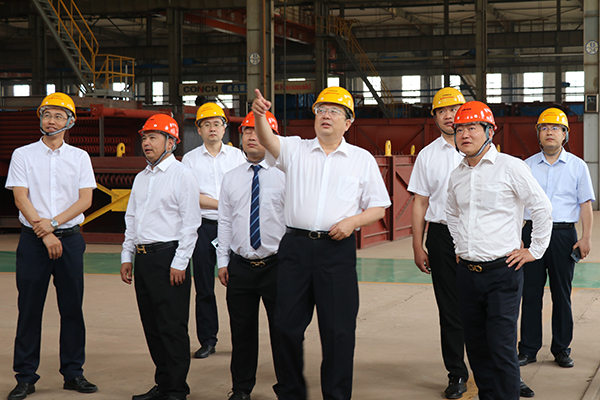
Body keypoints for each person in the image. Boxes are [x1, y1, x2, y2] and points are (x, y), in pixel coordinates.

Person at [252, 87, 391, 400]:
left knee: (338, 332)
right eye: (321, 110)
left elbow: (378, 207)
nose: (326, 116)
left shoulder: (361, 160)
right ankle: (292, 392)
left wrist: (352, 222)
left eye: (334, 111)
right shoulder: (296, 149)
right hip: (296, 249)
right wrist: (260, 116)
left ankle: (336, 396)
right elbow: (267, 140)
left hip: (336, 252)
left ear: (348, 122)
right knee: (285, 326)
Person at [446, 101, 552, 400]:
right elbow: (451, 213)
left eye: (472, 128)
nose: (465, 135)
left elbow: (542, 208)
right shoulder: (457, 175)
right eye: (460, 129)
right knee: (476, 346)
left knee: (502, 347)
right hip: (467, 274)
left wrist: (535, 250)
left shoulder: (510, 167)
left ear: (489, 131)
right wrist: (459, 245)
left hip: (502, 273)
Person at [5, 92, 98, 400]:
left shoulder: (80, 157)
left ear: (70, 121)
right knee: (29, 309)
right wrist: (44, 232)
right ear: (41, 119)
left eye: (59, 116)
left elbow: (85, 200)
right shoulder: (23, 154)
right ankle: (25, 377)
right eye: (47, 115)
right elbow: (20, 197)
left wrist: (54, 225)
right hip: (33, 241)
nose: (51, 121)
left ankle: (73, 373)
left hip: (69, 239)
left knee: (72, 308)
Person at [120, 114, 201, 400]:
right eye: (144, 137)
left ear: (170, 142)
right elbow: (131, 218)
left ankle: (177, 389)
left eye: (153, 137)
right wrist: (127, 255)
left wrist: (180, 262)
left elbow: (191, 223)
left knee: (172, 327)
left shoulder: (182, 175)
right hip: (144, 259)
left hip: (169, 258)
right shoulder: (141, 178)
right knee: (152, 326)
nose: (146, 142)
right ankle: (164, 383)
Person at [518, 108, 595, 369]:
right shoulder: (526, 166)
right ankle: (528, 349)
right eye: (544, 127)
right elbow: (516, 205)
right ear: (538, 134)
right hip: (532, 234)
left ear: (565, 135)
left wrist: (586, 238)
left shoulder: (577, 166)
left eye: (555, 128)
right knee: (530, 293)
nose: (549, 132)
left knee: (562, 293)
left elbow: (585, 204)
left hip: (563, 235)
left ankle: (561, 349)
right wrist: (517, 238)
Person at [216, 111, 285, 400]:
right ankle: (241, 389)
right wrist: (223, 261)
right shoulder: (231, 178)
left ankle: (287, 389)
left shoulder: (286, 175)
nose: (252, 136)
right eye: (246, 131)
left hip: (277, 266)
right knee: (241, 332)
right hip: (240, 266)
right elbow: (225, 221)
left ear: (273, 136)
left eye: (258, 130)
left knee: (283, 333)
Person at [407, 87, 469, 399]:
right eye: (441, 111)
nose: (448, 115)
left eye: (453, 109)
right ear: (434, 117)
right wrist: (418, 245)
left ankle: (499, 368)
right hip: (442, 236)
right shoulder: (427, 156)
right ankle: (456, 372)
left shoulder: (481, 148)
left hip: (478, 235)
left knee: (489, 306)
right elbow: (420, 203)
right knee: (449, 308)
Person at [182, 102, 245, 359]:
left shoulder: (238, 157)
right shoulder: (190, 160)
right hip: (204, 228)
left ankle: (241, 341)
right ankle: (208, 340)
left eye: (216, 124)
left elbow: (245, 189)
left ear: (224, 128)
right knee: (204, 287)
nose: (212, 129)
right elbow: (190, 196)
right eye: (206, 124)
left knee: (239, 288)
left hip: (235, 228)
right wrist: (223, 204)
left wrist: (222, 204)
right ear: (199, 130)